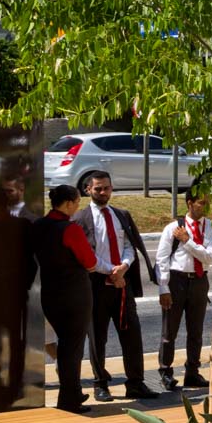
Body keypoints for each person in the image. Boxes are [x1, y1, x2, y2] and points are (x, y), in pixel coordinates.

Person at [76, 172, 157, 402]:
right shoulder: (81, 219)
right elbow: (86, 254)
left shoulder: (121, 215)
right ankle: (100, 384)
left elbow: (129, 246)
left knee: (132, 334)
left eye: (107, 188)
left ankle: (135, 383)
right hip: (96, 286)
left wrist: (123, 267)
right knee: (97, 337)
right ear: (88, 190)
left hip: (122, 285)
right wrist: (112, 272)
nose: (103, 192)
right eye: (98, 188)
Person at [32, 184, 97, 412]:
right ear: (68, 203)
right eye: (77, 202)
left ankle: (73, 392)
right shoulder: (70, 229)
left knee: (65, 345)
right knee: (72, 348)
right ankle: (69, 399)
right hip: (74, 295)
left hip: (50, 293)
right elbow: (90, 262)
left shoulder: (38, 226)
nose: (78, 207)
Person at [155, 188, 212, 390]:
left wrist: (187, 241)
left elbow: (209, 257)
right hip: (176, 281)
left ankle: (192, 372)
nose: (205, 207)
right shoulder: (173, 228)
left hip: (199, 280)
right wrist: (163, 288)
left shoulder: (211, 227)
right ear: (190, 203)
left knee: (196, 331)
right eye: (201, 202)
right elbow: (162, 258)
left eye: (207, 202)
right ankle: (165, 372)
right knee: (169, 331)